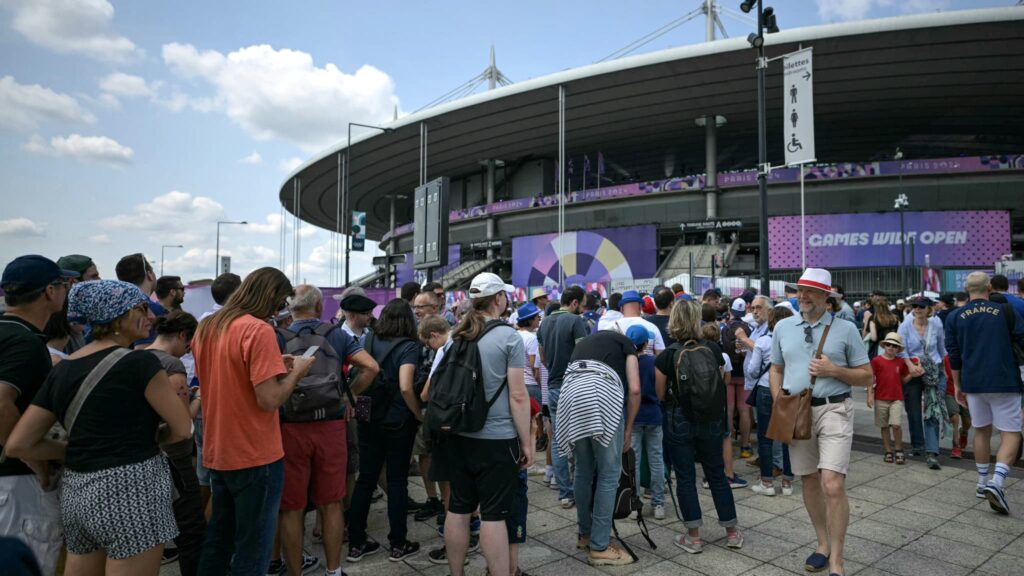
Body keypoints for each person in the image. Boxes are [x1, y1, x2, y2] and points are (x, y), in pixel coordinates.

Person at [7, 279, 192, 576]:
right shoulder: (139, 364)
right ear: (117, 316)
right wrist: (151, 437)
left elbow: (19, 443)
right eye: (141, 308)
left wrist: (70, 450)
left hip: (78, 489)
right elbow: (182, 429)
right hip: (134, 490)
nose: (152, 316)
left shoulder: (63, 368)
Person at [191, 267, 316, 575]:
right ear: (269, 296)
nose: (280, 310)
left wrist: (276, 365)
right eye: (280, 302)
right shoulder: (257, 330)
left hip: (218, 449)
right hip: (255, 452)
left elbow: (227, 377)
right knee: (253, 549)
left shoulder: (207, 327)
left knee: (218, 543)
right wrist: (298, 371)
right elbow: (270, 399)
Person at [769, 268, 871, 576]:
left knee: (832, 483)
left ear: (827, 297)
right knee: (809, 479)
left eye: (810, 291)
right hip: (797, 411)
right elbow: (776, 368)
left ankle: (837, 562)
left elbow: (867, 375)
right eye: (800, 290)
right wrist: (778, 399)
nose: (803, 296)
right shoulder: (783, 327)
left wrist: (834, 370)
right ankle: (822, 544)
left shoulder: (846, 329)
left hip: (834, 408)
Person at [274, 285, 379, 576]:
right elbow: (371, 367)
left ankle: (294, 572)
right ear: (320, 307)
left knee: (291, 507)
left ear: (290, 308)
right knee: (332, 503)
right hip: (331, 426)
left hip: (289, 428)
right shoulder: (337, 335)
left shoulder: (276, 336)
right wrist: (348, 398)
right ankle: (333, 570)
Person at [440, 273, 532, 576]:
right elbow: (518, 396)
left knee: (458, 509)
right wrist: (527, 443)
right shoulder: (508, 337)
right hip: (496, 438)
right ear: (498, 299)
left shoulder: (457, 335)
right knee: (494, 515)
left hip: (457, 433)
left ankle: (457, 573)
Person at [0, 255, 77, 576]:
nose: (66, 292)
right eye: (63, 285)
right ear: (49, 291)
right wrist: (36, 460)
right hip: (18, 482)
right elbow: (1, 402)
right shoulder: (25, 342)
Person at [655, 300, 743, 554]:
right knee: (716, 474)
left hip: (679, 420)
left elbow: (660, 393)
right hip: (711, 420)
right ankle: (732, 532)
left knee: (685, 477)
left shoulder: (668, 355)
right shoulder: (713, 348)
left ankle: (693, 537)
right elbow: (721, 380)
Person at [556, 326, 641, 566]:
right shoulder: (624, 342)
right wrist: (628, 430)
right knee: (608, 473)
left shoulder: (583, 343)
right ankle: (600, 545)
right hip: (601, 394)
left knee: (583, 470)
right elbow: (634, 389)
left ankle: (585, 533)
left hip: (570, 395)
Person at [346, 299, 423, 563]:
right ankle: (398, 543)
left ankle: (356, 542)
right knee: (398, 481)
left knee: (366, 478)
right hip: (398, 420)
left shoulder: (369, 340)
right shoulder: (410, 346)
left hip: (368, 417)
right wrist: (418, 413)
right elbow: (405, 386)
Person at [945, 271, 1024, 515]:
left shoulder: (955, 316)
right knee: (1011, 433)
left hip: (973, 382)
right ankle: (997, 482)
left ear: (967, 289)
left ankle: (981, 482)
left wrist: (958, 385)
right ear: (989, 287)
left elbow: (954, 355)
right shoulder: (1005, 311)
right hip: (1004, 379)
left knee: (982, 430)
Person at [144, 310, 205, 576]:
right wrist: (199, 398)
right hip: (175, 458)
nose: (188, 350)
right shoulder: (172, 365)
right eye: (189, 343)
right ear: (182, 335)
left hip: (146, 456)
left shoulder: (138, 356)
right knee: (191, 531)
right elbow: (183, 426)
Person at [537, 285, 589, 509]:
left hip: (554, 387)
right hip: (574, 385)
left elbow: (542, 355)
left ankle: (565, 494)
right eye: (583, 304)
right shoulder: (576, 321)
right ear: (575, 303)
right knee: (580, 440)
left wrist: (551, 365)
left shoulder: (545, 322)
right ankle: (580, 490)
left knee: (558, 441)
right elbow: (583, 353)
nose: (583, 309)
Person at [742, 303, 795, 496]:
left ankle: (767, 483)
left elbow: (753, 370)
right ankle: (788, 482)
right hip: (789, 390)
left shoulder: (764, 342)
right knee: (787, 437)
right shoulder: (795, 342)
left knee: (765, 438)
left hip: (765, 389)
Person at [896, 296, 947, 469]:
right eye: (915, 306)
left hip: (934, 370)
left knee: (933, 409)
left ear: (928, 309)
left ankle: (932, 452)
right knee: (913, 409)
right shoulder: (905, 326)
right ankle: (918, 444)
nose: (917, 309)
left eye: (921, 306)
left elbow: (942, 348)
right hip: (914, 370)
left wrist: (945, 371)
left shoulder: (937, 324)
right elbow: (901, 350)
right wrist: (910, 366)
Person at [626, 325, 666, 518]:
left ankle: (634, 502)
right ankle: (658, 503)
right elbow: (660, 393)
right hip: (653, 414)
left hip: (634, 417)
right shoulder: (655, 362)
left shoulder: (626, 363)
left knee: (633, 461)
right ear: (647, 343)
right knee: (656, 460)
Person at [867, 334, 912, 466]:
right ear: (884, 346)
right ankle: (888, 450)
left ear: (898, 349)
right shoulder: (876, 361)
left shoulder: (900, 362)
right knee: (884, 426)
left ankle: (899, 449)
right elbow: (870, 378)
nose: (891, 347)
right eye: (888, 344)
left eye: (894, 345)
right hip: (880, 397)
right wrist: (869, 395)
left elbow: (903, 380)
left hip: (897, 398)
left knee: (896, 425)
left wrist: (911, 375)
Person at [722, 298, 754, 462]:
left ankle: (727, 442)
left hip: (729, 373)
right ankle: (745, 446)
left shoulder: (725, 328)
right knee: (744, 410)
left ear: (730, 310)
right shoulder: (749, 328)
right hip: (744, 373)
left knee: (728, 409)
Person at [56, 254, 100, 354]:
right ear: (73, 283)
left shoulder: (86, 318)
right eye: (94, 276)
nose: (99, 280)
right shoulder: (58, 326)